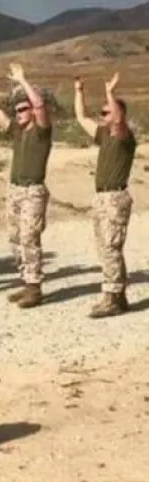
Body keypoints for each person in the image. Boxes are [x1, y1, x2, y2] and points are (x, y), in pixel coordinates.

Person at [0, 62, 52, 308]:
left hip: (33, 191)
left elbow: (41, 106)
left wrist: (23, 80)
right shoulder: (17, 131)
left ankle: (34, 287)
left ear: (31, 111)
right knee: (14, 238)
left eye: (23, 109)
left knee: (29, 237)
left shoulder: (42, 132)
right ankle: (25, 281)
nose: (19, 113)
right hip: (14, 190)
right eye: (17, 110)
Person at [74, 72, 137, 318]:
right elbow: (81, 117)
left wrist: (110, 93)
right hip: (101, 198)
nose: (102, 117)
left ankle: (112, 297)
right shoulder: (104, 136)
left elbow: (119, 121)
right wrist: (79, 91)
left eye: (106, 112)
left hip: (115, 198)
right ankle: (118, 295)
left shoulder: (124, 137)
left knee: (111, 247)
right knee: (104, 247)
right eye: (102, 113)